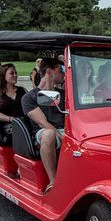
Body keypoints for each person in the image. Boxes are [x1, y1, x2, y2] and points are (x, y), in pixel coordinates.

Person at [21, 57, 66, 192]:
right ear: (49, 72)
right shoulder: (29, 97)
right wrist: (64, 138)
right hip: (44, 132)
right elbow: (43, 122)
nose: (64, 73)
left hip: (66, 130)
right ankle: (53, 181)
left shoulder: (64, 94)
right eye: (61, 69)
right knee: (49, 134)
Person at [0, 63, 27, 133]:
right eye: (12, 73)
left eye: (15, 73)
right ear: (3, 75)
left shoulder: (22, 90)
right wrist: (11, 119)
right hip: (7, 126)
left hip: (24, 123)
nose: (15, 75)